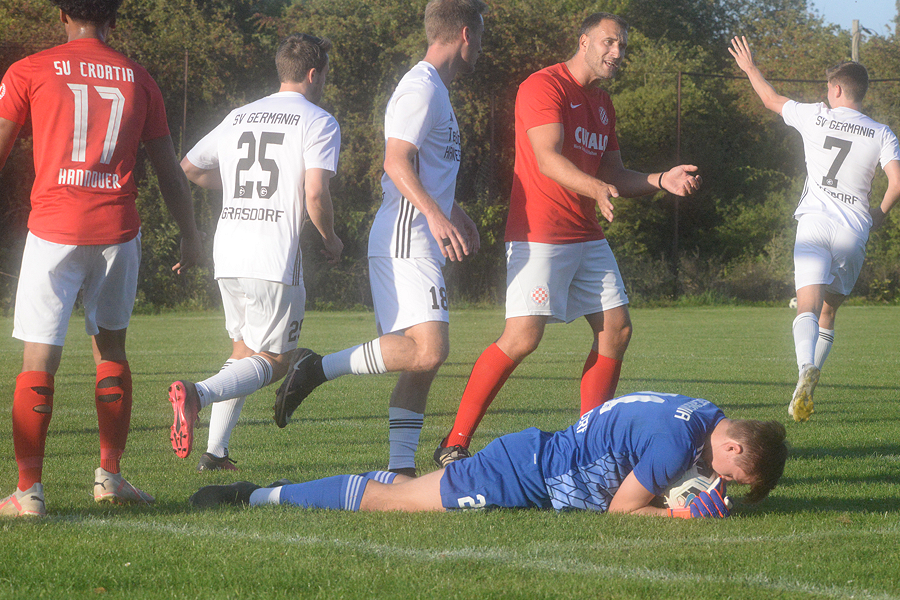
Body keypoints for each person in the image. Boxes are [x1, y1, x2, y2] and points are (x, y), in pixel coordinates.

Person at [434, 13, 702, 466]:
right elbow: (546, 158)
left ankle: (589, 446)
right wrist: (595, 188)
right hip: (540, 233)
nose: (617, 52)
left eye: (623, 46)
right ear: (584, 42)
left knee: (617, 329)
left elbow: (615, 173)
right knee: (522, 338)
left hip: (585, 234)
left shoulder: (602, 103)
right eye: (609, 42)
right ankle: (454, 443)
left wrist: (661, 179)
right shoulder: (544, 86)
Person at [0, 0, 203, 518]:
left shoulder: (30, 70)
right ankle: (109, 477)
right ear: (114, 18)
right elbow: (168, 170)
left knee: (39, 359)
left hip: (54, 228)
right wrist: (190, 234)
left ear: (61, 15)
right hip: (117, 231)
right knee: (110, 351)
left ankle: (28, 492)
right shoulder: (139, 78)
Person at [272, 0, 485, 477]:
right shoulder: (420, 87)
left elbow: (423, 169)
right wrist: (435, 214)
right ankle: (315, 368)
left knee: (422, 361)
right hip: (407, 238)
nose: (482, 46)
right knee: (430, 350)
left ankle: (400, 469)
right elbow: (395, 161)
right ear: (466, 34)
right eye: (482, 35)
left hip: (418, 236)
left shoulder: (437, 90)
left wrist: (454, 211)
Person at [168, 33, 343, 469]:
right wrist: (331, 238)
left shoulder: (239, 115)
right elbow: (315, 193)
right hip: (273, 255)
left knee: (243, 350)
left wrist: (239, 187)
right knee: (277, 361)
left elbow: (189, 167)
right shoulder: (318, 120)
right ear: (313, 74)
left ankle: (216, 452)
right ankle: (198, 393)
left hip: (228, 250)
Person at [191, 391, 787, 518]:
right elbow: (622, 511)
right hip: (522, 474)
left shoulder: (705, 414)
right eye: (731, 475)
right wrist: (678, 516)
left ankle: (269, 491)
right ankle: (253, 495)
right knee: (394, 503)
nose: (722, 483)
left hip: (534, 453)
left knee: (403, 490)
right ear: (732, 445)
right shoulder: (676, 443)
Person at [729, 37, 900, 422]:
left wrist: (750, 67)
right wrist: (879, 214)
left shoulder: (815, 116)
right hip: (854, 230)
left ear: (836, 89)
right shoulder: (881, 132)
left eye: (827, 87)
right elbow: (897, 182)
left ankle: (805, 367)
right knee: (828, 312)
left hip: (815, 224)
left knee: (805, 306)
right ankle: (803, 389)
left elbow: (770, 99)